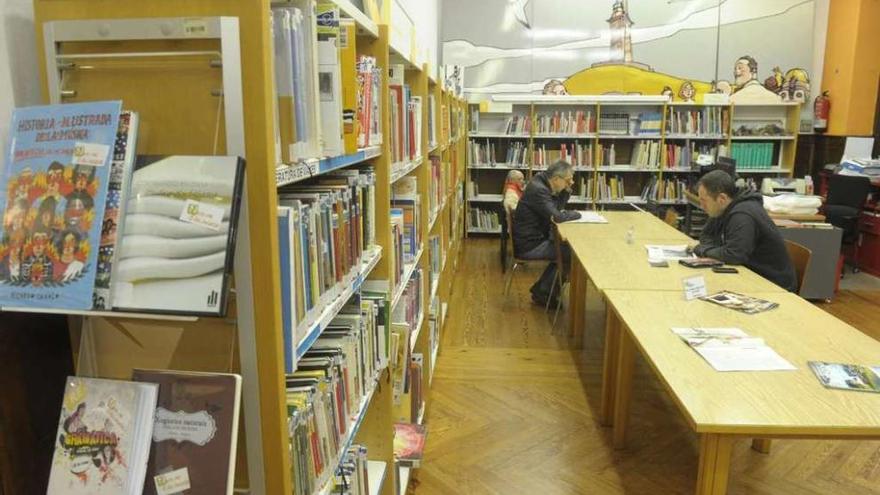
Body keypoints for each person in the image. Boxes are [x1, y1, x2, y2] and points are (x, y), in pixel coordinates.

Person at [691, 170, 797, 291]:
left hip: (772, 284)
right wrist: (713, 249)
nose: (701, 205)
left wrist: (702, 250)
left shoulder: (742, 215)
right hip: (749, 273)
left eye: (704, 201)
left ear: (722, 198)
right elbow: (706, 235)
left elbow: (734, 255)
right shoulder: (722, 208)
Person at [513, 160, 580, 305]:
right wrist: (577, 214)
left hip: (536, 239)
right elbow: (558, 216)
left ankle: (543, 290)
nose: (571, 182)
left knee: (567, 250)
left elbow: (557, 210)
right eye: (568, 180)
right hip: (529, 245)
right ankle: (544, 293)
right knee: (573, 254)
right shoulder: (539, 190)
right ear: (556, 179)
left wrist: (566, 190)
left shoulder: (542, 182)